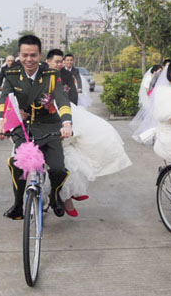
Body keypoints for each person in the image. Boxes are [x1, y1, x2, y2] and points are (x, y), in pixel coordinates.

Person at [45, 48, 132, 216]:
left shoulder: (66, 74)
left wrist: (71, 114)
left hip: (66, 111)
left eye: (61, 61)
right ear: (47, 61)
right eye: (57, 61)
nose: (60, 64)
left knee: (88, 139)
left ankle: (68, 193)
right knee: (59, 155)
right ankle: (61, 196)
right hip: (46, 114)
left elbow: (70, 95)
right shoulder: (40, 74)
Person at [0, 35, 73, 219]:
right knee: (17, 165)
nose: (29, 59)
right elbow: (4, 100)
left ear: (40, 55)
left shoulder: (52, 75)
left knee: (58, 169)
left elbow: (62, 99)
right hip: (25, 128)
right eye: (24, 55)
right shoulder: (12, 75)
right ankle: (18, 205)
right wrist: (1, 123)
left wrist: (67, 123)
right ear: (19, 55)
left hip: (50, 127)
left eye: (33, 55)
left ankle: (54, 197)